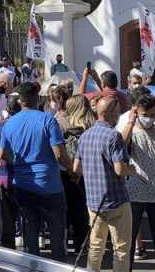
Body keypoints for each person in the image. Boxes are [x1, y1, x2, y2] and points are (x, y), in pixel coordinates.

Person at [0, 83, 71, 261]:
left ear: (20, 101)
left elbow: (2, 154)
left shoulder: (9, 124)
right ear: (37, 99)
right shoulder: (47, 120)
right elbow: (59, 154)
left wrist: (18, 162)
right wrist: (72, 169)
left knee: (30, 235)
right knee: (56, 235)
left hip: (23, 185)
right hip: (49, 185)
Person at [119, 89, 155, 272]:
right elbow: (119, 145)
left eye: (152, 115)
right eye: (145, 115)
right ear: (136, 112)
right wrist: (130, 122)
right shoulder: (130, 129)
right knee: (130, 236)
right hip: (135, 191)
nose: (149, 118)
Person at [74, 96, 132, 272]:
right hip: (116, 200)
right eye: (117, 112)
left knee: (96, 246)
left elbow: (76, 168)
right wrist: (133, 171)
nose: (118, 115)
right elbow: (120, 170)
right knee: (121, 250)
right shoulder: (113, 136)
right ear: (110, 113)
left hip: (94, 202)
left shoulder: (85, 135)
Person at [61, 94, 93, 254]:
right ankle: (81, 245)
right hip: (88, 173)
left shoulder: (62, 124)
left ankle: (64, 243)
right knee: (82, 211)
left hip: (67, 171)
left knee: (66, 210)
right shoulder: (92, 125)